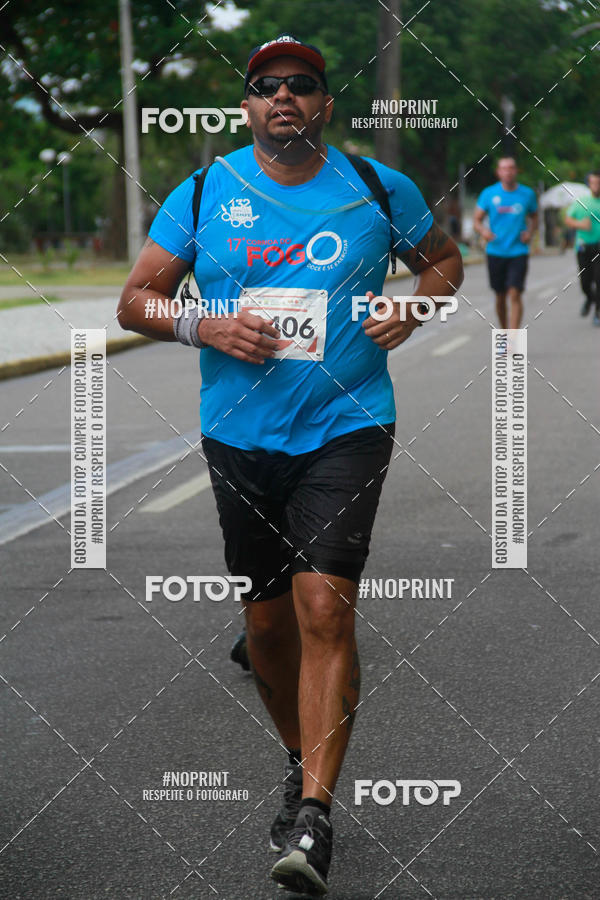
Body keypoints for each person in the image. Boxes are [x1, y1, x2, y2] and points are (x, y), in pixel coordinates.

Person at [118, 33, 463, 897]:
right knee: (266, 627)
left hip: (349, 426)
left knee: (323, 608)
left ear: (325, 105)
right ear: (247, 106)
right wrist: (204, 325)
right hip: (239, 435)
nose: (284, 97)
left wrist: (412, 306)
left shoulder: (380, 188)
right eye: (267, 85)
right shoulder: (205, 190)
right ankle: (298, 754)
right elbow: (135, 300)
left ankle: (314, 810)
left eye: (301, 85)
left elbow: (445, 264)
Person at [473, 157, 538, 328]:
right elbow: (477, 220)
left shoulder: (527, 194)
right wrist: (484, 231)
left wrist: (530, 232)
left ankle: (514, 338)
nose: (508, 171)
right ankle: (503, 332)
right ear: (498, 172)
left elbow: (535, 216)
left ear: (516, 171)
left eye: (511, 168)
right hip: (495, 251)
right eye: (504, 168)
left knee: (515, 294)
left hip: (518, 251)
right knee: (500, 296)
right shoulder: (488, 194)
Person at [564, 171, 600, 325]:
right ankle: (590, 298)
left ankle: (597, 313)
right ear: (588, 184)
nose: (596, 186)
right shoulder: (581, 201)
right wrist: (580, 225)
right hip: (583, 247)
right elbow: (568, 220)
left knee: (599, 280)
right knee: (585, 282)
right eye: (593, 182)